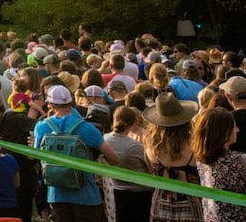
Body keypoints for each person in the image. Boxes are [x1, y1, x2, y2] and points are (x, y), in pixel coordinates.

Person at [35, 83, 120, 222]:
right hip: (87, 196)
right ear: (72, 102)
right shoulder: (87, 128)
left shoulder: (42, 127)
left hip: (56, 195)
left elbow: (33, 156)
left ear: (50, 104)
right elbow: (114, 159)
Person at [145, 92, 203, 222]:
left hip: (160, 201)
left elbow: (149, 168)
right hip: (191, 202)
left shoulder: (150, 145)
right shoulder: (195, 144)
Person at [194, 108, 246, 222]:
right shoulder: (239, 161)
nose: (237, 130)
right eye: (233, 127)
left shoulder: (200, 159)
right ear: (223, 132)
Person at [104, 106, 151, 222]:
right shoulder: (135, 146)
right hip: (140, 193)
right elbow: (151, 167)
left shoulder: (104, 139)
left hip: (117, 190)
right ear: (133, 123)